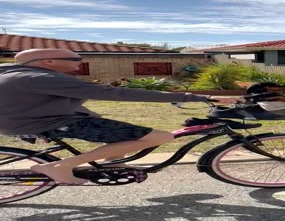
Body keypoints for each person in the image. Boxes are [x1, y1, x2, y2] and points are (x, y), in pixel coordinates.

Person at [0, 49, 238, 184]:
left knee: (107, 124)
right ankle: (62, 166)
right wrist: (198, 97)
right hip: (51, 122)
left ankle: (111, 161)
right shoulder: (44, 78)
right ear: (49, 61)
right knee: (162, 137)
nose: (80, 62)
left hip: (26, 119)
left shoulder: (15, 73)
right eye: (75, 59)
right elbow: (116, 93)